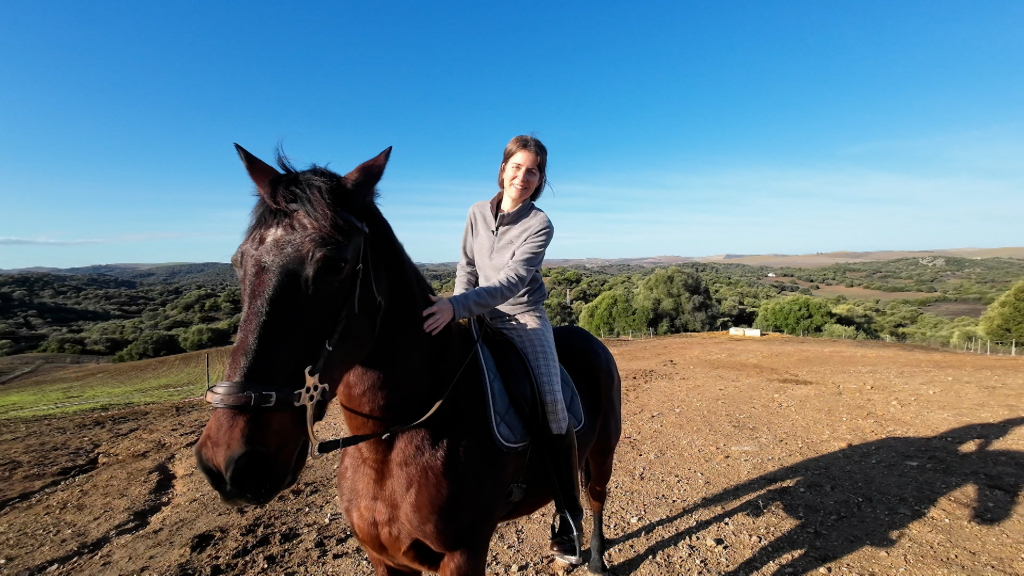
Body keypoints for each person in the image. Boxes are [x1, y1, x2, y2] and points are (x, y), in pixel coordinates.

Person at [421, 135, 584, 565]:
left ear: (540, 179)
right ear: (503, 168)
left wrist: (457, 306)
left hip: (522, 318)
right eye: (517, 167)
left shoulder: (540, 224)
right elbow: (467, 266)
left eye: (533, 171)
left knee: (553, 407)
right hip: (474, 314)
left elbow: (512, 282)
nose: (523, 177)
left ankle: (569, 515)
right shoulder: (477, 212)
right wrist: (460, 308)